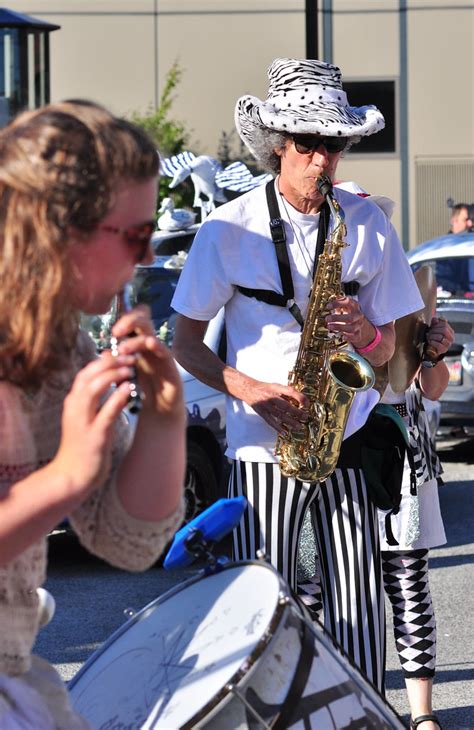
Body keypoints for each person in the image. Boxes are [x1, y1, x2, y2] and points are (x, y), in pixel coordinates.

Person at [171, 57, 424, 692]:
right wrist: (250, 391)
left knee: (360, 606)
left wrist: (362, 334)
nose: (323, 160)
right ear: (279, 148)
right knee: (261, 606)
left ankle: (361, 708)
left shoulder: (366, 223)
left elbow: (388, 340)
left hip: (346, 434)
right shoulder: (228, 227)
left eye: (333, 146)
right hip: (262, 447)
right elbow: (184, 343)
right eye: (309, 145)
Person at [0, 101, 186, 728]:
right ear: (59, 227)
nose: (144, 258)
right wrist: (65, 477)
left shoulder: (64, 352)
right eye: (135, 236)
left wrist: (165, 418)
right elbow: (68, 488)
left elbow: (125, 541)